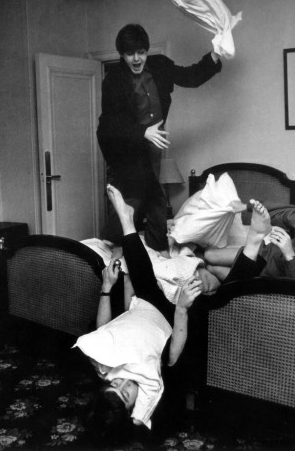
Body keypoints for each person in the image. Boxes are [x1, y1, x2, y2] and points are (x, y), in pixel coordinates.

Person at [74, 184, 202, 444]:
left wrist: (106, 287)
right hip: (171, 321)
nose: (123, 383)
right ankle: (253, 247)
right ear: (134, 409)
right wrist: (181, 308)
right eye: (126, 393)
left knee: (137, 276)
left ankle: (126, 221)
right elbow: (173, 355)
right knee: (216, 303)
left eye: (115, 385)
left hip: (145, 303)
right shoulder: (151, 390)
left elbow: (105, 332)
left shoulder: (105, 369)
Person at [97, 23, 222, 255]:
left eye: (141, 52)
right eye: (130, 54)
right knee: (133, 203)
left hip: (152, 153)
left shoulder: (161, 66)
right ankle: (114, 254)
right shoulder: (113, 80)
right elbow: (108, 124)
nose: (136, 59)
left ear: (147, 51)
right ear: (122, 55)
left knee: (154, 201)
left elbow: (190, 76)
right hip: (125, 155)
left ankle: (159, 256)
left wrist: (214, 55)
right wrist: (142, 132)